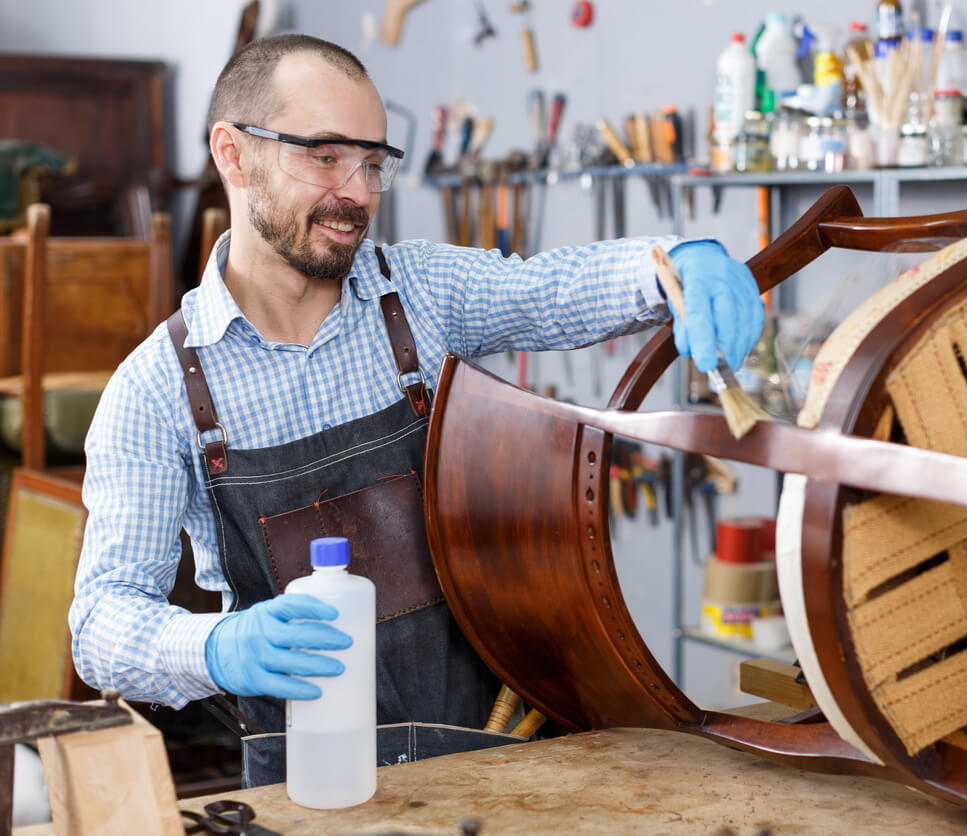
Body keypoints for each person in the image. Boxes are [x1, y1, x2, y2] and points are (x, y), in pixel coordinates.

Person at [68, 33, 764, 785]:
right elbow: (102, 624)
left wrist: (675, 265)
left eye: (373, 162)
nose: (359, 192)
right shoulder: (155, 390)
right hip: (308, 786)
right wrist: (214, 648)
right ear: (232, 154)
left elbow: (552, 290)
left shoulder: (417, 295)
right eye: (327, 156)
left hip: (493, 758)